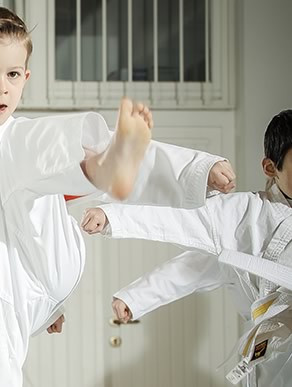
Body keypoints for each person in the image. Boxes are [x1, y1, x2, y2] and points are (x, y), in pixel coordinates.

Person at [0, 6, 236, 386]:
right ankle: (99, 166)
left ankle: (104, 163)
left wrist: (198, 170)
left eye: (13, 74)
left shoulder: (22, 139)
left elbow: (29, 149)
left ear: (26, 77)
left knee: (25, 144)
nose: (2, 86)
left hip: (46, 247)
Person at [82, 110, 292, 387]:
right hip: (274, 355)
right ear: (270, 167)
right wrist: (114, 217)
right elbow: (183, 231)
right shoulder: (245, 214)